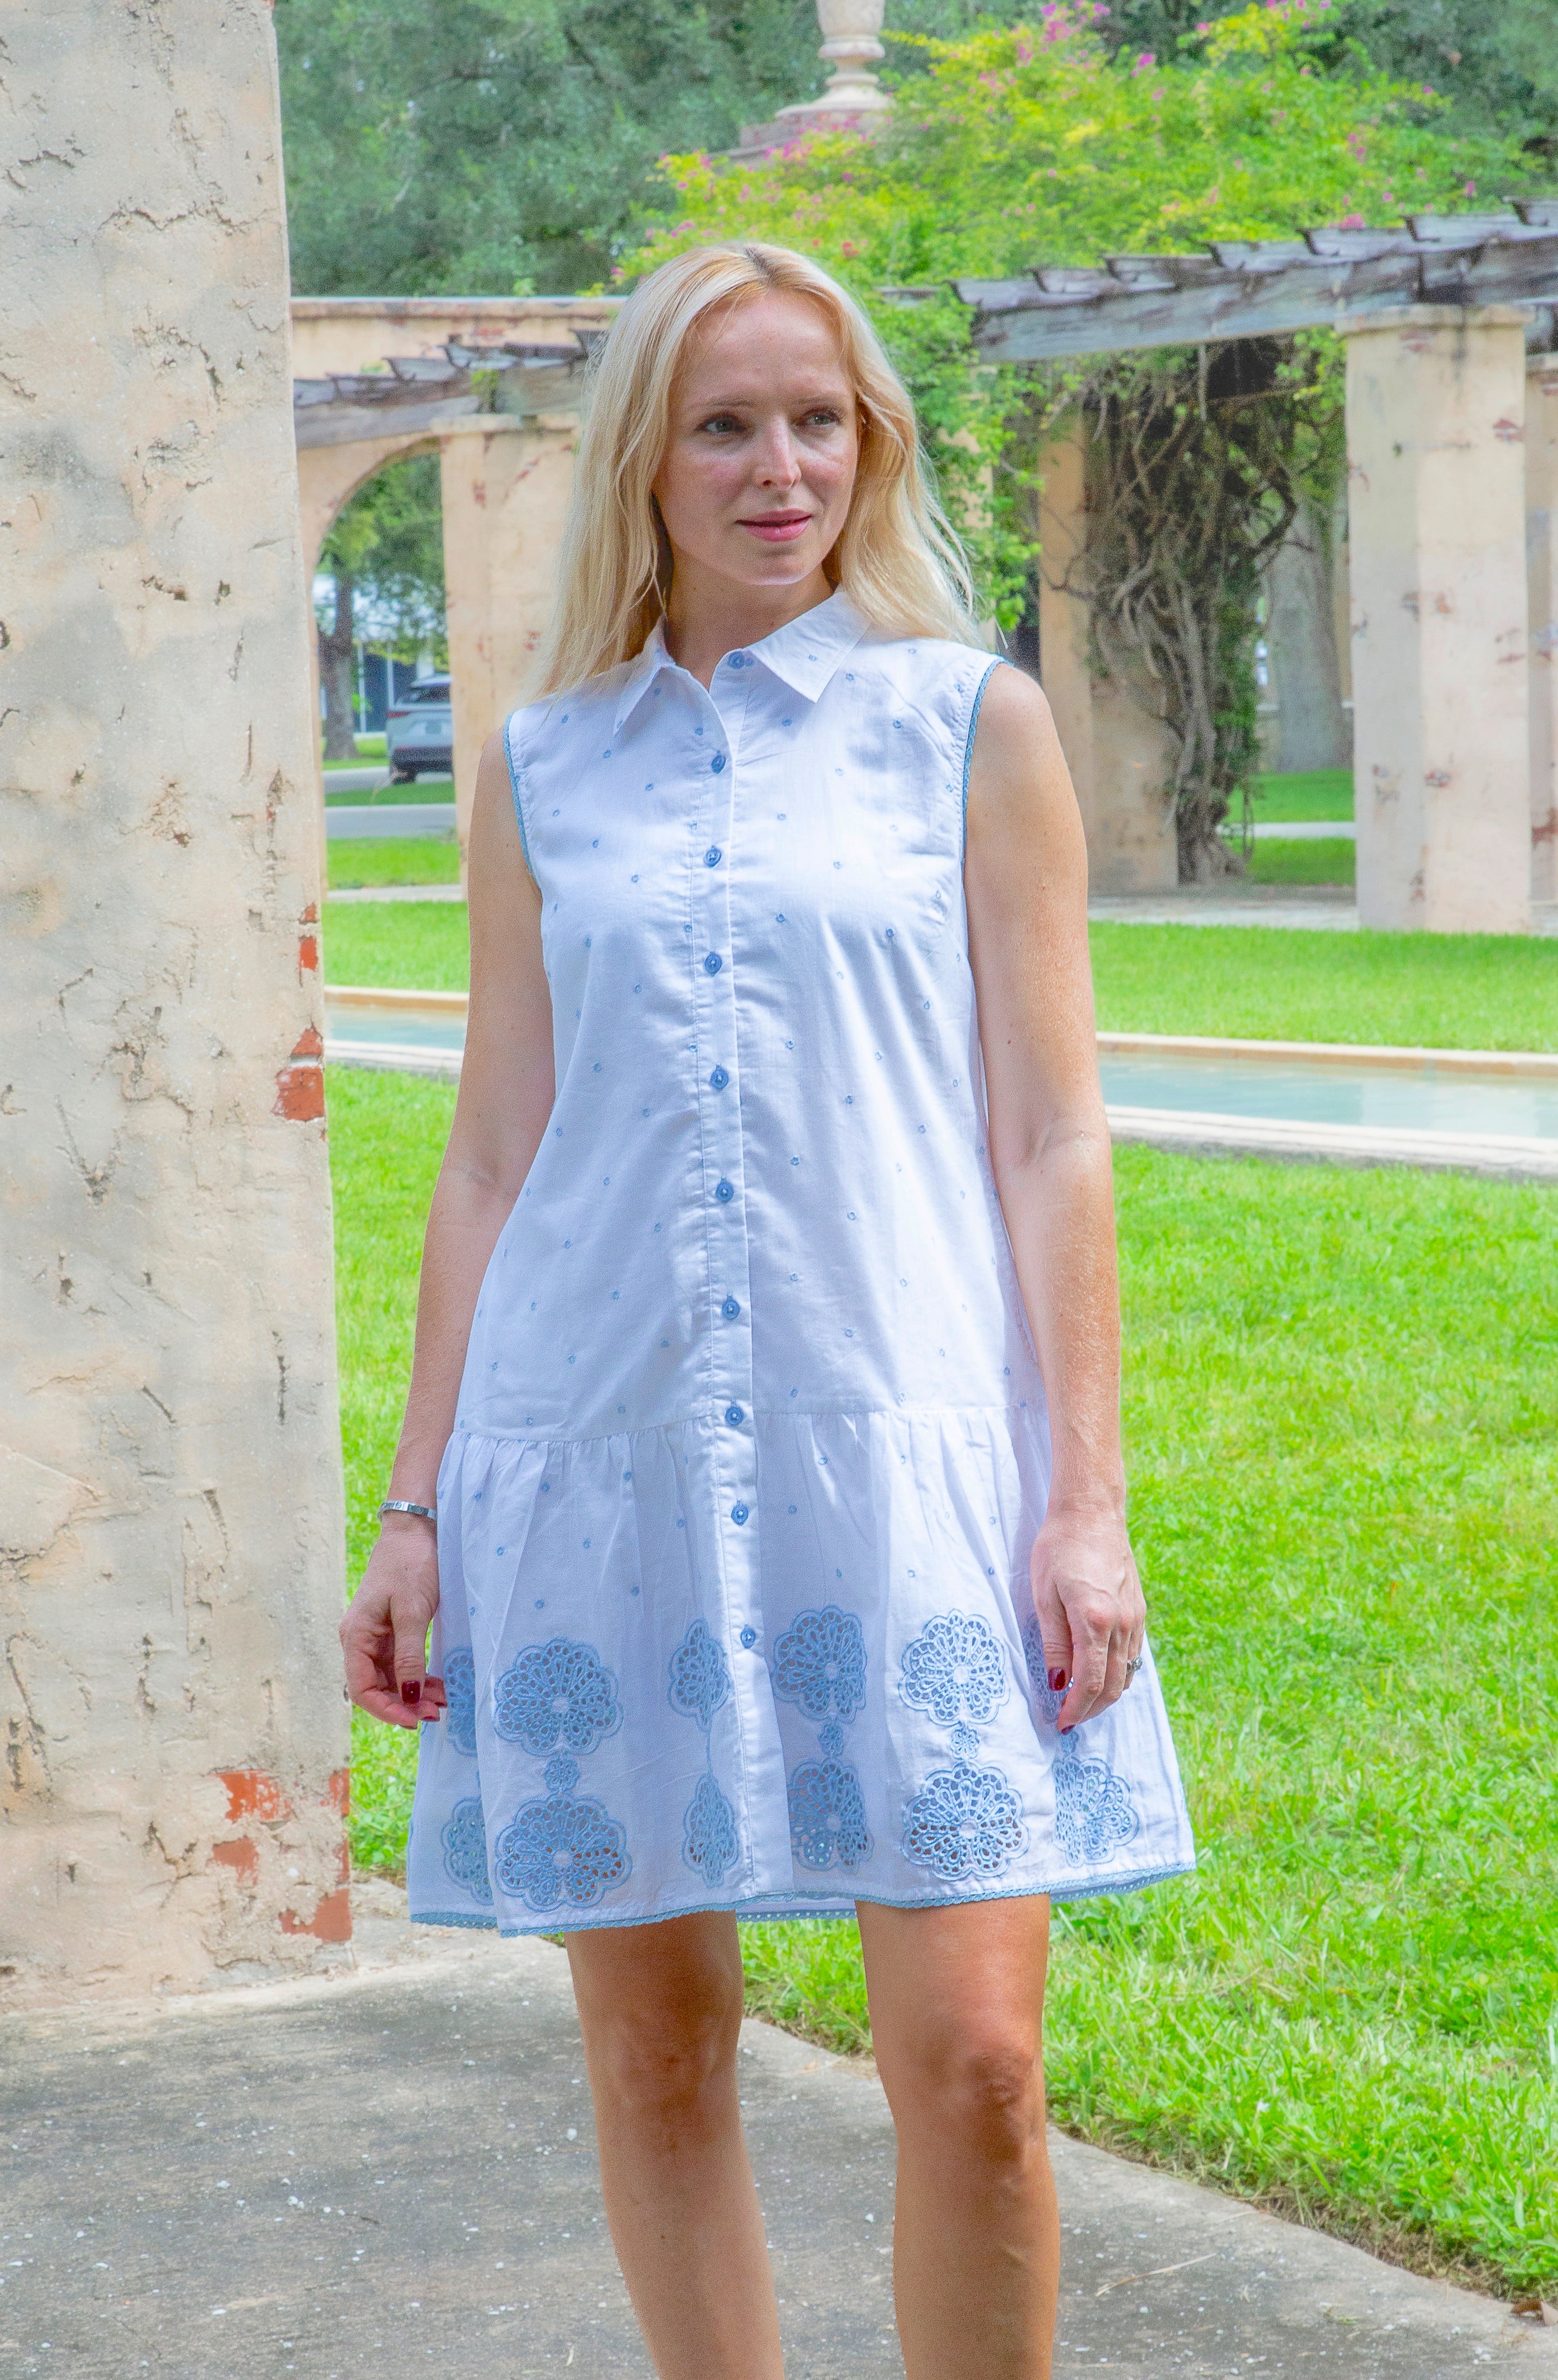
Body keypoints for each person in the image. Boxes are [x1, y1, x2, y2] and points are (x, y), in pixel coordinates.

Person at [342, 239, 1193, 2380]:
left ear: (871, 445)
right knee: (655, 2056)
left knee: (976, 2064)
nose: (778, 468)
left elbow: (1053, 1136)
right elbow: (493, 1154)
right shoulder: (546, 765)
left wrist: (1084, 1498)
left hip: (910, 1461)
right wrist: (415, 1507)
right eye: (723, 424)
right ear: (644, 459)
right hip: (599, 1457)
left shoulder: (965, 726)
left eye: (818, 420)